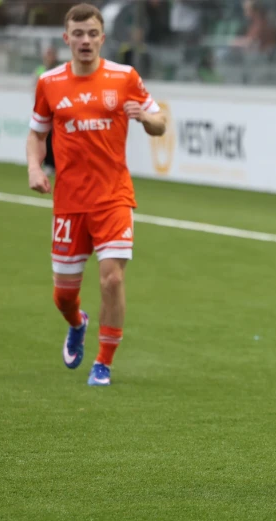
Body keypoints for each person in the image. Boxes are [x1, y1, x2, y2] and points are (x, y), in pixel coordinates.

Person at [26, 3, 167, 386]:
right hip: (69, 203)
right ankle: (78, 323)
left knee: (112, 280)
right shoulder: (49, 82)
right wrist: (35, 168)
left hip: (113, 198)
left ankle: (103, 362)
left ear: (102, 38)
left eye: (92, 33)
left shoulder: (125, 77)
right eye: (78, 34)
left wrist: (147, 118)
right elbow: (37, 134)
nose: (85, 40)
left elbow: (160, 121)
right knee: (63, 296)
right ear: (66, 38)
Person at [34, 46, 60, 176]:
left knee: (58, 137)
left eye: (51, 54)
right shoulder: (40, 70)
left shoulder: (59, 70)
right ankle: (48, 164)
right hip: (44, 107)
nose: (49, 57)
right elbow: (36, 88)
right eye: (47, 54)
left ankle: (57, 164)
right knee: (45, 137)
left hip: (57, 107)